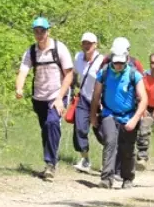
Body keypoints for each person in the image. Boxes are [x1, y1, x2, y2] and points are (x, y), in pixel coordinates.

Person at [15, 17, 73, 180]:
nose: (39, 34)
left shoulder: (59, 48)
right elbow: (23, 71)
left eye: (42, 31)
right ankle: (50, 159)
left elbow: (69, 75)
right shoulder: (31, 51)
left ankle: (50, 164)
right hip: (39, 96)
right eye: (36, 31)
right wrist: (19, 88)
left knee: (52, 123)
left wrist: (60, 97)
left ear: (48, 31)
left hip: (57, 94)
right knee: (46, 129)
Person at [89, 40, 148, 189]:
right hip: (109, 113)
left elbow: (144, 99)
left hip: (129, 115)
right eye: (116, 63)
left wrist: (135, 119)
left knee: (127, 148)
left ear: (127, 59)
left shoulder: (134, 74)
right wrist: (93, 116)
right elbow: (96, 96)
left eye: (121, 63)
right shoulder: (104, 72)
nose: (119, 66)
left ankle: (127, 177)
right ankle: (106, 178)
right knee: (110, 142)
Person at [69, 31, 103, 174]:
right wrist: (71, 89)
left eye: (90, 43)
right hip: (83, 98)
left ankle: (112, 159)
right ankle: (85, 159)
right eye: (84, 43)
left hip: (99, 101)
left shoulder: (102, 60)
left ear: (95, 45)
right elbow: (74, 74)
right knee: (80, 129)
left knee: (102, 133)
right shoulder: (78, 57)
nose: (87, 46)